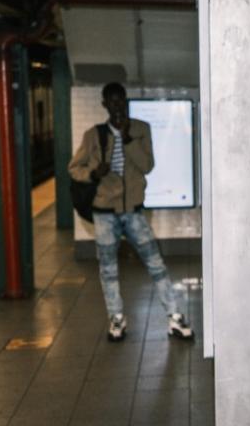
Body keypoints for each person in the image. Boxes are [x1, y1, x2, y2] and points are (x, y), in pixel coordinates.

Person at [68, 82, 193, 342]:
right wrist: (92, 173)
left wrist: (127, 141)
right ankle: (117, 319)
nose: (117, 107)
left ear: (125, 102)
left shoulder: (140, 129)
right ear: (105, 105)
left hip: (134, 212)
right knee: (109, 269)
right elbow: (73, 168)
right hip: (104, 212)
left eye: (120, 101)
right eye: (111, 102)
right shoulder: (94, 135)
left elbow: (147, 165)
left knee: (155, 263)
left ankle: (174, 317)